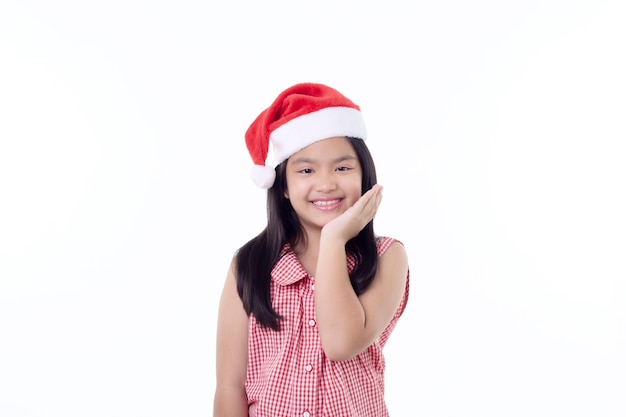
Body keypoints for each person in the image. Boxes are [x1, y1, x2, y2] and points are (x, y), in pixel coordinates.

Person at [213, 82, 410, 417]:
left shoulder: (387, 257)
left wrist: (334, 240)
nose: (326, 183)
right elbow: (230, 385)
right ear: (284, 186)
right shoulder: (251, 264)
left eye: (342, 167)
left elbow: (340, 343)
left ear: (364, 175)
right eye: (306, 170)